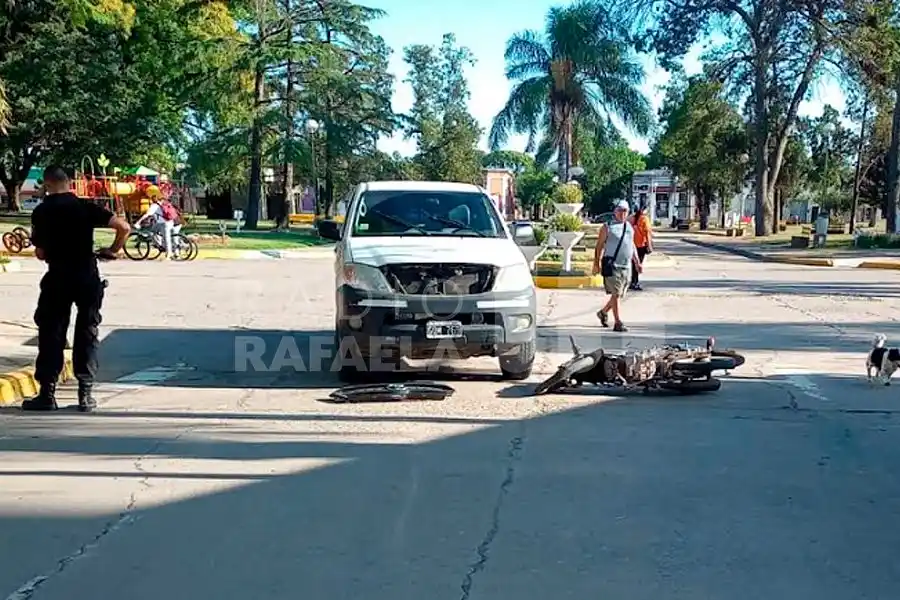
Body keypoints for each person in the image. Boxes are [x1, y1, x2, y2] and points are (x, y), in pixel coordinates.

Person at [22, 166, 130, 412]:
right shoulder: (85, 207)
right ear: (69, 182)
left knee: (51, 332)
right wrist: (112, 250)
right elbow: (124, 227)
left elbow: (40, 253)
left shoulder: (41, 211)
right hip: (86, 275)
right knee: (87, 331)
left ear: (47, 184)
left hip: (57, 276)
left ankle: (47, 393)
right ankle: (85, 393)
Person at [592, 200, 642, 332]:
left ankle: (603, 312)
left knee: (618, 295)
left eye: (625, 211)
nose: (622, 213)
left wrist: (637, 262)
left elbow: (631, 245)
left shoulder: (629, 227)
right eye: (620, 210)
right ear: (615, 211)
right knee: (615, 294)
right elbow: (599, 246)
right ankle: (618, 322)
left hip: (626, 266)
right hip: (612, 265)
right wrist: (596, 263)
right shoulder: (607, 227)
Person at [135, 185, 179, 259]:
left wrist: (138, 222)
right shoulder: (163, 202)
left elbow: (147, 215)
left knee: (164, 237)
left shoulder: (154, 206)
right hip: (170, 222)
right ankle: (163, 247)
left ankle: (168, 254)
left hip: (164, 224)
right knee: (155, 232)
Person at [629, 204, 653, 291]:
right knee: (638, 264)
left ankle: (633, 281)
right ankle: (635, 282)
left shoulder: (631, 218)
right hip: (641, 245)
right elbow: (647, 233)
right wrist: (649, 245)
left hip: (631, 244)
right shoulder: (644, 219)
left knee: (633, 264)